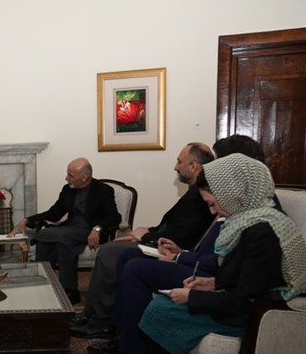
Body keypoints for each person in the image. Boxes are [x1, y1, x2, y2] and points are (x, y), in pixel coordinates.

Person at [129, 153, 306, 354]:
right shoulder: (249, 219)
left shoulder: (262, 231)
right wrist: (212, 282)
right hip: (239, 300)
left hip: (253, 314)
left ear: (232, 192)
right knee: (162, 304)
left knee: (159, 310)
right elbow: (244, 275)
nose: (214, 212)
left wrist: (192, 297)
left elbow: (245, 299)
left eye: (213, 204)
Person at [90, 135, 271, 354]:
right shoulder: (233, 201)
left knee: (135, 267)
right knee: (129, 258)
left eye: (218, 161)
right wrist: (180, 253)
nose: (211, 167)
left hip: (209, 274)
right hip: (201, 264)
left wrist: (179, 258)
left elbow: (225, 265)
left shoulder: (248, 209)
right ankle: (120, 335)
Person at [71, 142, 215, 338]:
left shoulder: (199, 197)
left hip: (171, 251)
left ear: (193, 166)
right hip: (161, 242)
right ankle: (91, 314)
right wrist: (145, 231)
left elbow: (179, 236)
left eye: (179, 161)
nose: (175, 167)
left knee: (109, 253)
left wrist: (145, 236)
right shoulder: (194, 192)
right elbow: (172, 226)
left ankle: (101, 320)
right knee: (111, 248)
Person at [7, 157, 121, 304]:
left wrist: (97, 228)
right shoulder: (68, 190)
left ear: (84, 177)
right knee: (60, 241)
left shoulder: (103, 190)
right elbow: (54, 213)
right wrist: (27, 220)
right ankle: (50, 286)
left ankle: (68, 289)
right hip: (69, 231)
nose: (66, 178)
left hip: (89, 231)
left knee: (48, 235)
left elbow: (114, 217)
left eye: (71, 175)